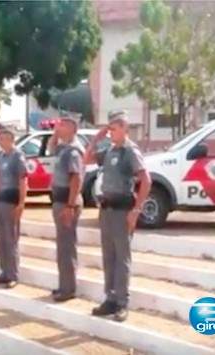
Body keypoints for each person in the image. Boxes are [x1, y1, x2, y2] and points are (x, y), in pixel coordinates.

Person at [84, 110, 151, 322]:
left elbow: (146, 180)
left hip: (123, 210)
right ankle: (110, 298)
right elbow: (86, 159)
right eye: (109, 128)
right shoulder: (111, 150)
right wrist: (96, 138)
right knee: (108, 257)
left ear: (124, 128)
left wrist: (136, 210)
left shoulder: (130, 151)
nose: (110, 132)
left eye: (113, 128)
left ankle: (122, 302)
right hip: (107, 209)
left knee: (122, 258)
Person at [47, 116, 84, 302]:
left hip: (68, 203)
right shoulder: (63, 148)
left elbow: (76, 179)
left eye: (63, 125)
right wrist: (55, 132)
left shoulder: (73, 151)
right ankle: (64, 285)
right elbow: (50, 148)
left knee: (67, 246)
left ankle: (69, 288)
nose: (59, 128)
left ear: (72, 128)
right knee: (62, 247)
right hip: (59, 201)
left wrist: (70, 206)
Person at [0, 126, 28, 288]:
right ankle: (4, 271)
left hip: (12, 201)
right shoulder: (0, 156)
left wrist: (21, 203)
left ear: (11, 139)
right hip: (0, 200)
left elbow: (23, 180)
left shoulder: (17, 156)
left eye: (3, 138)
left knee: (11, 238)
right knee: (1, 239)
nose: (0, 141)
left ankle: (12, 274)